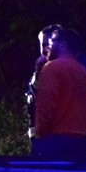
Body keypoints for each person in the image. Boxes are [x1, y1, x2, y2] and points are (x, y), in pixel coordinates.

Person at [32, 27, 86, 158]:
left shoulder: (52, 68)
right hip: (82, 142)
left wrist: (40, 137)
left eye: (53, 40)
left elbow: (45, 107)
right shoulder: (84, 72)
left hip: (55, 142)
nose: (49, 45)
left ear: (63, 43)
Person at [26, 24, 62, 152]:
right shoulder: (41, 66)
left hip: (56, 136)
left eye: (49, 44)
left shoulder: (61, 68)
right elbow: (34, 93)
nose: (46, 48)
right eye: (43, 44)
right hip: (38, 135)